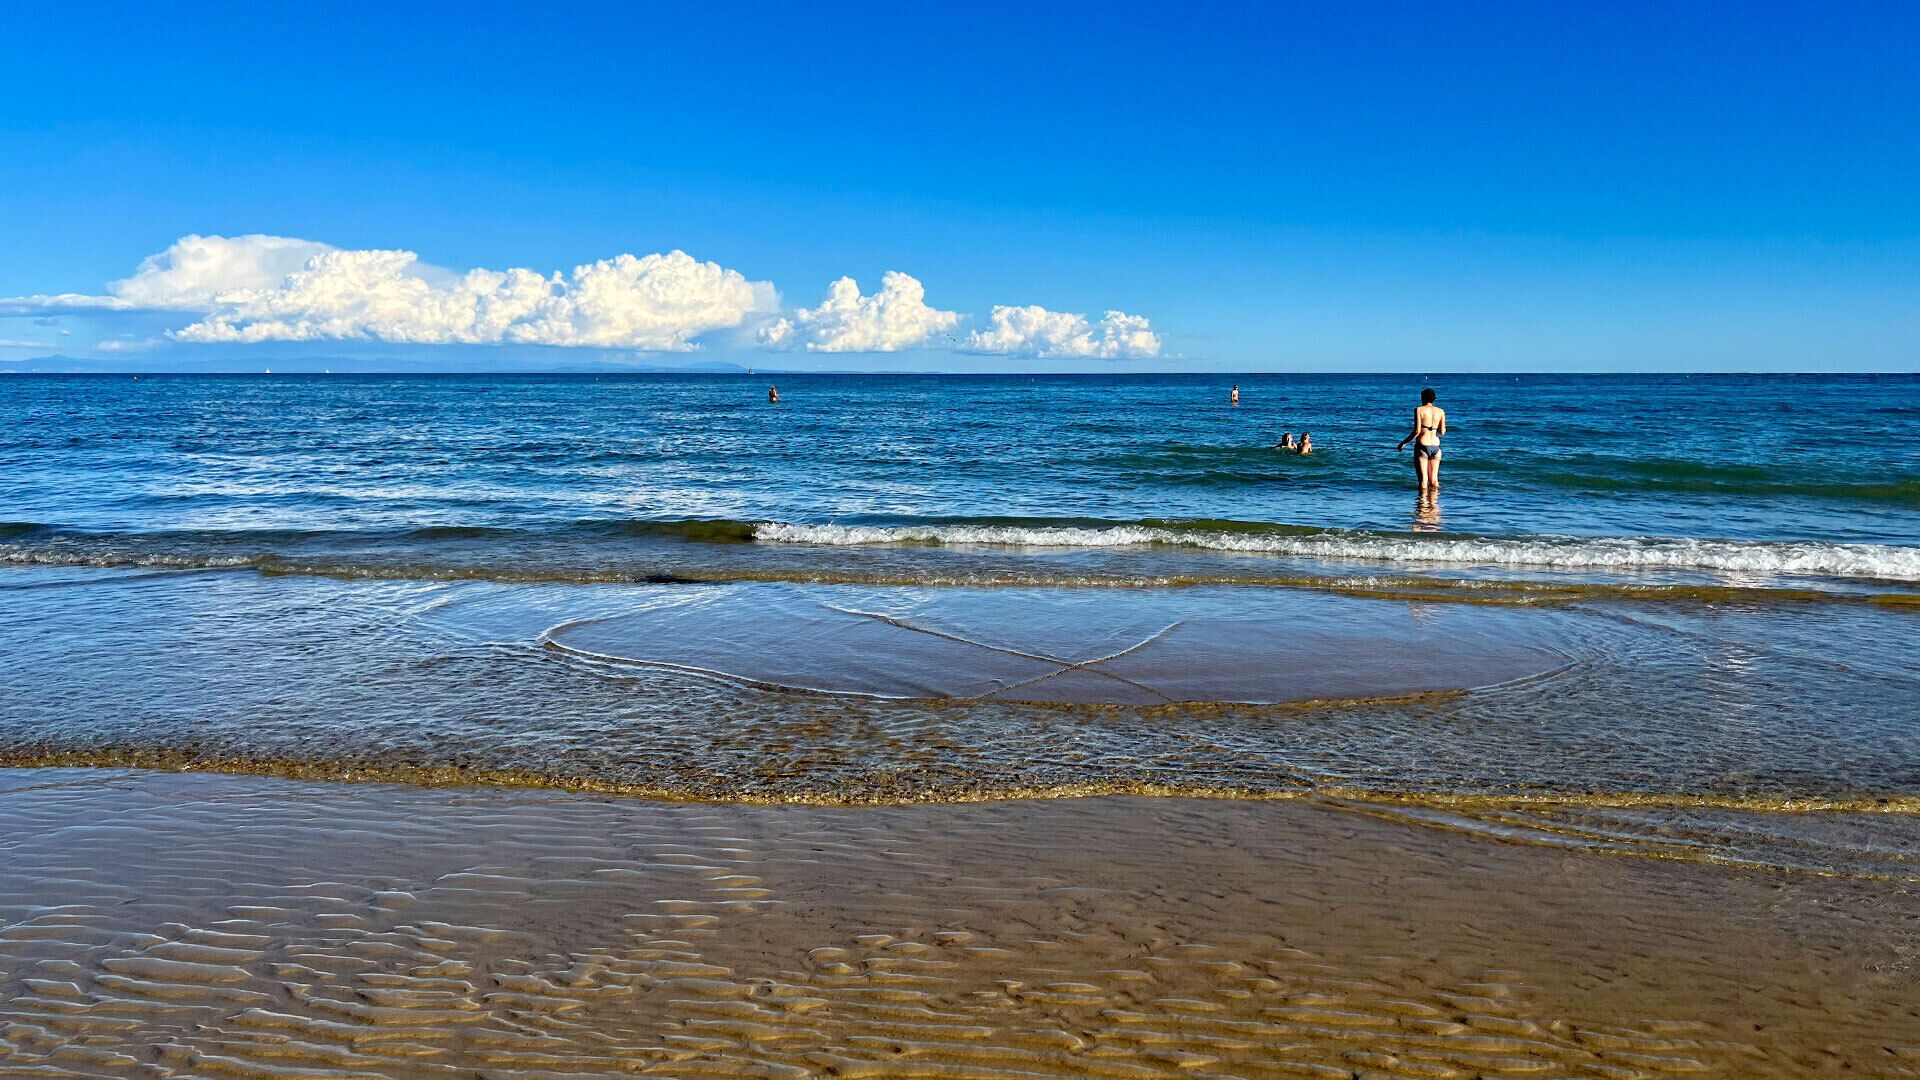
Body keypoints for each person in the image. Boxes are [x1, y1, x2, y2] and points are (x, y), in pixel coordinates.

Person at [1395, 387, 1446, 490]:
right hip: (1436, 447)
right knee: (1434, 480)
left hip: (1423, 446)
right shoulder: (1441, 411)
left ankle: (1422, 505)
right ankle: (1434, 504)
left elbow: (1417, 431)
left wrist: (1403, 443)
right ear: (1434, 399)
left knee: (1423, 481)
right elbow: (1442, 432)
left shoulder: (1419, 410)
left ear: (1423, 398)